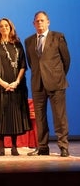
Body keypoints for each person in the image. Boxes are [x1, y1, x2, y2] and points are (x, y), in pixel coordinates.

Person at [25, 11, 71, 157]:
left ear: (48, 22)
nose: (40, 23)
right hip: (38, 84)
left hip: (56, 83)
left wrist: (57, 76)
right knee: (40, 117)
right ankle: (43, 147)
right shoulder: (29, 41)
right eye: (37, 21)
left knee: (59, 116)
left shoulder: (58, 37)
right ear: (33, 24)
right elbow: (32, 63)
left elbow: (66, 60)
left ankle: (63, 146)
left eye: (42, 21)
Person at [0, 18, 32, 156]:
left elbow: (23, 65)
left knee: (14, 116)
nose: (4, 28)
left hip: (16, 86)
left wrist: (16, 82)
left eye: (6, 26)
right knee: (1, 116)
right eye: (1, 26)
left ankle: (14, 146)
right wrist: (2, 83)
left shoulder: (18, 45)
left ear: (11, 28)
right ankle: (1, 146)